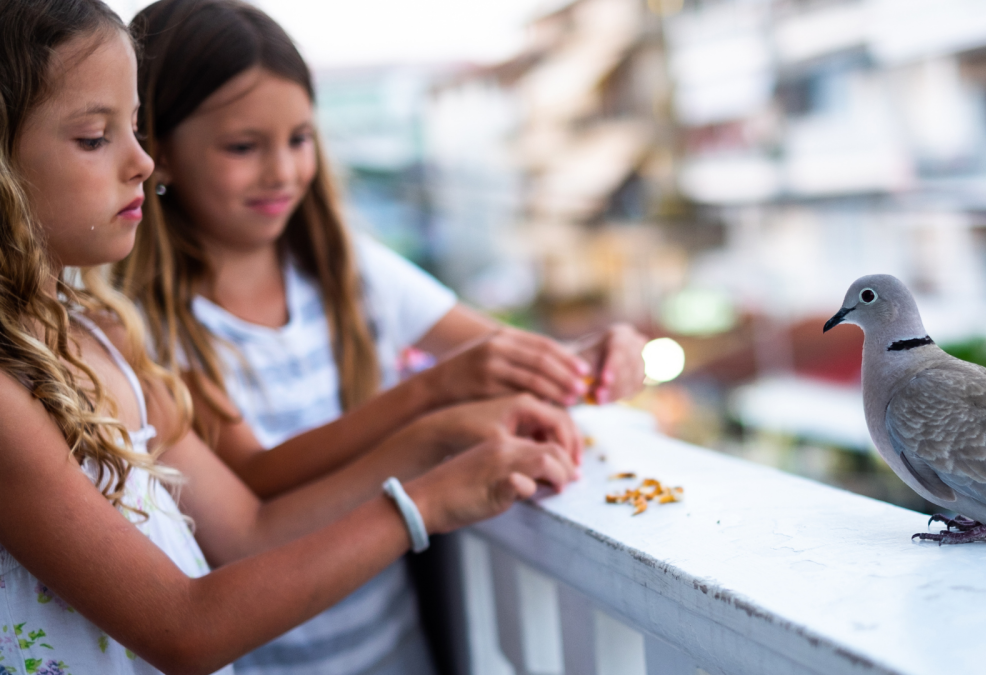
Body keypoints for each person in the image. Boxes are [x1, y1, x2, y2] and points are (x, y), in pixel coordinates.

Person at [0, 2, 577, 673]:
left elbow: (249, 533)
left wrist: (439, 441)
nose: (142, 160)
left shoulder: (105, 339)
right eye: (96, 138)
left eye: (134, 128)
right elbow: (183, 628)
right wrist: (427, 498)